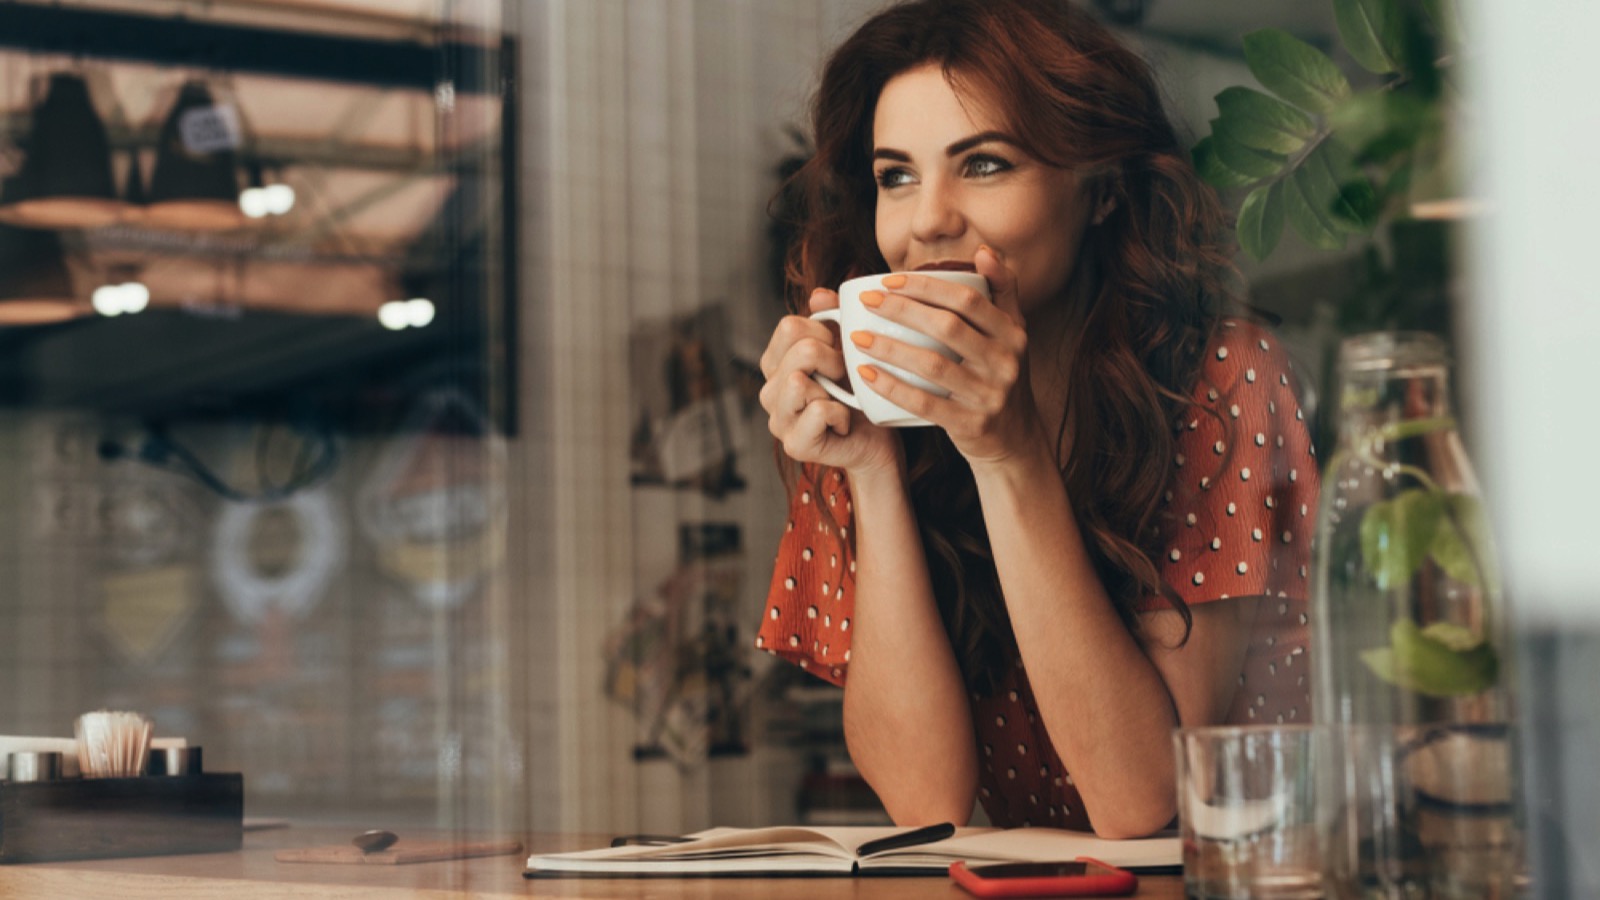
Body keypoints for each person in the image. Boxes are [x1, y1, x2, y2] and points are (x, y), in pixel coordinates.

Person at [755, 0, 1318, 838]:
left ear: (1099, 195)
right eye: (895, 175)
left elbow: (1141, 802)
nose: (926, 221)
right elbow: (925, 803)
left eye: (982, 164)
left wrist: (1006, 457)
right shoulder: (872, 404)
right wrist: (872, 472)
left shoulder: (1221, 377)